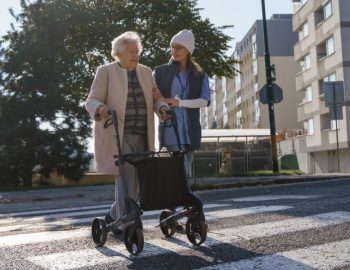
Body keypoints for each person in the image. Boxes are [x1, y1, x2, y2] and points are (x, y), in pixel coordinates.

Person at [85, 31, 168, 232]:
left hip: (143, 135)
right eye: (132, 51)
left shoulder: (146, 72)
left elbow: (157, 97)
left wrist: (162, 108)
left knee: (140, 185)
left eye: (137, 51)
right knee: (125, 181)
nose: (136, 55)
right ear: (119, 53)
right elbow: (91, 100)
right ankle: (126, 225)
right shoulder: (105, 71)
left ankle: (113, 216)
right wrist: (101, 108)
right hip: (118, 136)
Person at [153, 29, 211, 180]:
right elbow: (152, 97)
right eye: (172, 46)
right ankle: (176, 200)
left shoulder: (200, 74)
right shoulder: (159, 72)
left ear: (188, 50)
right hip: (170, 128)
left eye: (178, 47)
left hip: (190, 131)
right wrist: (161, 109)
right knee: (177, 171)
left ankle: (183, 199)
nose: (174, 50)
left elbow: (205, 101)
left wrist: (180, 103)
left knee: (185, 173)